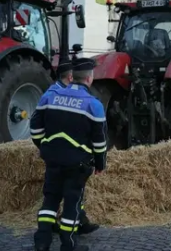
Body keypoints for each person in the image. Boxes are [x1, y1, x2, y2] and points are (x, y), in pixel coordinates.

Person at [30, 57, 107, 251]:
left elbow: (35, 129)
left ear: (72, 77)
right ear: (89, 78)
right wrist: (100, 164)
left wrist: (46, 147)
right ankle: (68, 244)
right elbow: (99, 142)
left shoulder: (50, 96)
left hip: (53, 159)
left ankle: (42, 242)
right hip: (77, 163)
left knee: (50, 200)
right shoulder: (93, 105)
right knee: (72, 203)